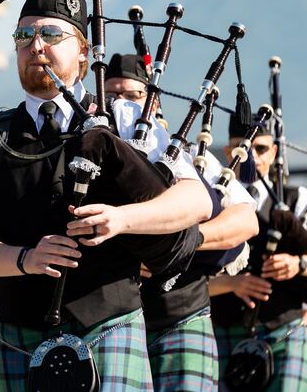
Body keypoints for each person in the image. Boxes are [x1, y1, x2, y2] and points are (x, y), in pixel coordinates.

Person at [0, 0, 212, 390]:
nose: (36, 46)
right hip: (21, 339)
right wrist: (26, 258)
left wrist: (123, 219)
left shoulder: (127, 119)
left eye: (51, 35)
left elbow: (196, 199)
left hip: (109, 327)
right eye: (24, 36)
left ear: (83, 51)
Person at [105, 53, 259, 391]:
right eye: (111, 95)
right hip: (107, 326)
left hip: (180, 316)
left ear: (153, 100)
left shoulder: (187, 159)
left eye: (132, 96)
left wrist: (184, 242)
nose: (121, 104)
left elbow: (246, 220)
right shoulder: (90, 157)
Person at [209, 114, 307, 391]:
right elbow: (181, 276)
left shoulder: (297, 200)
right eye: (242, 147)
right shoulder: (211, 200)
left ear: (273, 152)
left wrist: (300, 264)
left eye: (260, 149)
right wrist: (232, 283)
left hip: (284, 331)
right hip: (223, 330)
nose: (251, 157)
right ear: (228, 153)